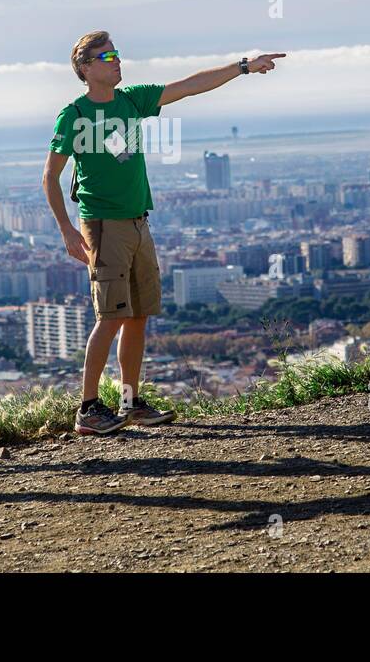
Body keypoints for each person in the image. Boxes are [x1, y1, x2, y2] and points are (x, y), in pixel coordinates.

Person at [42, 32, 286, 434]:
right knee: (109, 317)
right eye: (107, 56)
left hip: (139, 221)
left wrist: (242, 66)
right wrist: (67, 230)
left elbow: (189, 86)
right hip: (103, 225)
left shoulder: (131, 101)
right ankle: (87, 409)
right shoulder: (74, 114)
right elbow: (50, 176)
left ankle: (129, 402)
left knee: (137, 316)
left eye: (118, 54)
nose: (117, 61)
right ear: (85, 68)